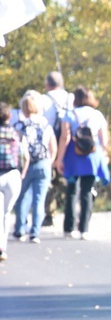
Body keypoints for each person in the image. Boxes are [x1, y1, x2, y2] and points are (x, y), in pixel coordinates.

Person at [54, 86, 109, 240]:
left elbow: (64, 137)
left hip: (73, 155)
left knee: (71, 191)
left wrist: (59, 159)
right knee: (86, 192)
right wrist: (105, 156)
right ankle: (84, 229)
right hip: (92, 156)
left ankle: (68, 228)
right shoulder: (97, 115)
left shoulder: (69, 114)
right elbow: (104, 139)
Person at [12, 91, 57, 243]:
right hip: (43, 163)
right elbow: (53, 147)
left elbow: (16, 147)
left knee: (22, 197)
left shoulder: (20, 126)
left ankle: (20, 229)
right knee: (39, 199)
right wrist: (50, 162)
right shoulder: (46, 125)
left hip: (25, 164)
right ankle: (35, 232)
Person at [38, 71, 73, 227]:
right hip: (69, 145)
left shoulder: (43, 99)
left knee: (49, 182)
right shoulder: (70, 97)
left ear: (47, 84)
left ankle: (49, 213)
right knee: (67, 179)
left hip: (49, 145)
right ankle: (72, 207)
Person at [0, 102, 29, 260]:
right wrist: (22, 173)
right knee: (5, 213)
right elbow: (24, 157)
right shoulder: (17, 133)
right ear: (9, 116)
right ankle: (2, 246)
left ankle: (0, 246)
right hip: (12, 175)